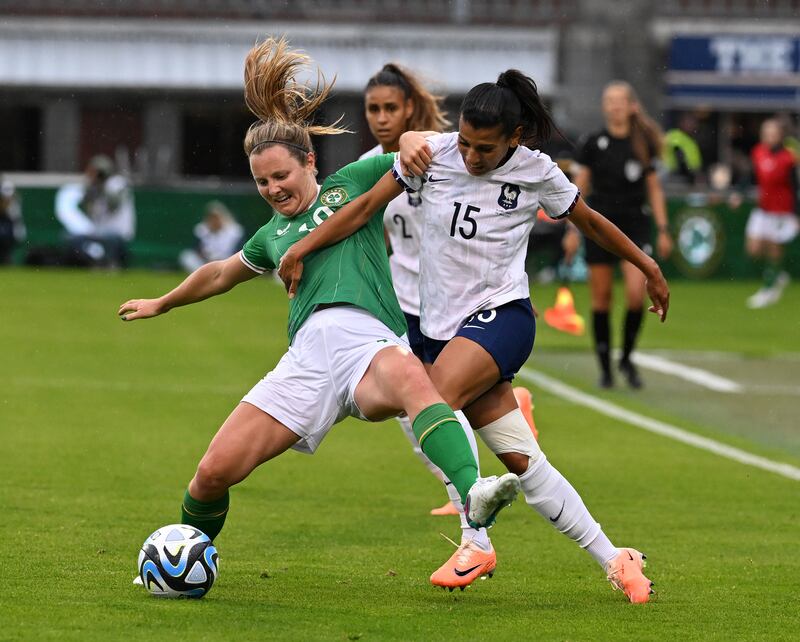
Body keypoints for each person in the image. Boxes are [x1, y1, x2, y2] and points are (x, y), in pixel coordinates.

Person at [119, 39, 520, 586]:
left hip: (368, 348)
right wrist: (161, 303)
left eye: (281, 175)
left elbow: (426, 144)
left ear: (310, 161)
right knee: (212, 474)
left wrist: (405, 136)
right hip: (306, 361)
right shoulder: (270, 236)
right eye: (262, 182)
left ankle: (472, 495)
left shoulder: (350, 183)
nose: (273, 188)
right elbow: (219, 273)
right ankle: (178, 562)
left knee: (412, 378)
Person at [279, 69, 670, 604]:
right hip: (442, 329)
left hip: (503, 316)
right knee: (523, 462)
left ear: (514, 138)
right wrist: (303, 247)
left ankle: (475, 539)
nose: (470, 155)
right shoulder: (431, 155)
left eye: (484, 147)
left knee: (429, 399)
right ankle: (615, 557)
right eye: (464, 141)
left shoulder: (537, 171)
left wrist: (646, 264)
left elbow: (591, 221)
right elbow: (365, 208)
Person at [360, 63, 538, 588]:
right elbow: (375, 229)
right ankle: (468, 488)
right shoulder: (374, 165)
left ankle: (472, 522)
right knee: (413, 413)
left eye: (391, 108)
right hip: (403, 306)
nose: (382, 118)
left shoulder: (443, 154)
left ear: (410, 109)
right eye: (373, 109)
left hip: (452, 310)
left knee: (428, 406)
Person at [563, 81, 672, 389]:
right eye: (609, 100)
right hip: (600, 225)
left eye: (619, 101)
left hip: (635, 224)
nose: (614, 106)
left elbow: (654, 188)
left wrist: (663, 228)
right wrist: (572, 230)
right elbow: (576, 191)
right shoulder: (592, 142)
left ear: (632, 106)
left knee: (636, 296)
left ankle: (626, 357)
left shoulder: (643, 143)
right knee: (602, 299)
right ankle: (605, 368)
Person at [744, 117, 798, 309]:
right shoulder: (758, 152)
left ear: (780, 135)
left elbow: (794, 186)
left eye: (772, 133)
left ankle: (769, 288)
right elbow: (751, 178)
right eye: (765, 133)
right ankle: (778, 273)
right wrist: (738, 193)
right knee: (753, 249)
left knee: (775, 249)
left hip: (781, 210)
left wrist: (795, 214)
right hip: (763, 209)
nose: (768, 137)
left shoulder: (788, 158)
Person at [55, 154, 136, 268]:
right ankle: (94, 260)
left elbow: (114, 205)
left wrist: (101, 185)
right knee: (71, 238)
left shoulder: (118, 183)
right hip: (98, 233)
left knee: (109, 239)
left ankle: (109, 262)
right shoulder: (93, 187)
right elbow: (86, 207)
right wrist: (91, 189)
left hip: (117, 234)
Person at [179, 200, 244, 273]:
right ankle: (203, 273)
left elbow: (239, 250)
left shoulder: (235, 231)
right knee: (187, 256)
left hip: (228, 261)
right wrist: (206, 257)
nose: (214, 221)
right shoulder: (201, 229)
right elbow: (196, 248)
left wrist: (222, 259)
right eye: (211, 218)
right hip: (206, 261)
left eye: (216, 218)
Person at [663, 112, 703, 185]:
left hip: (688, 180)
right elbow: (679, 158)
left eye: (694, 122)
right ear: (682, 122)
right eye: (690, 121)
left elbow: (695, 163)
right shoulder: (674, 136)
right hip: (674, 178)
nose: (693, 125)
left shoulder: (691, 140)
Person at [0, 177, 25, 265]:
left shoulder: (15, 203)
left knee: (6, 250)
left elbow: (14, 218)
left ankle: (7, 260)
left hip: (10, 231)